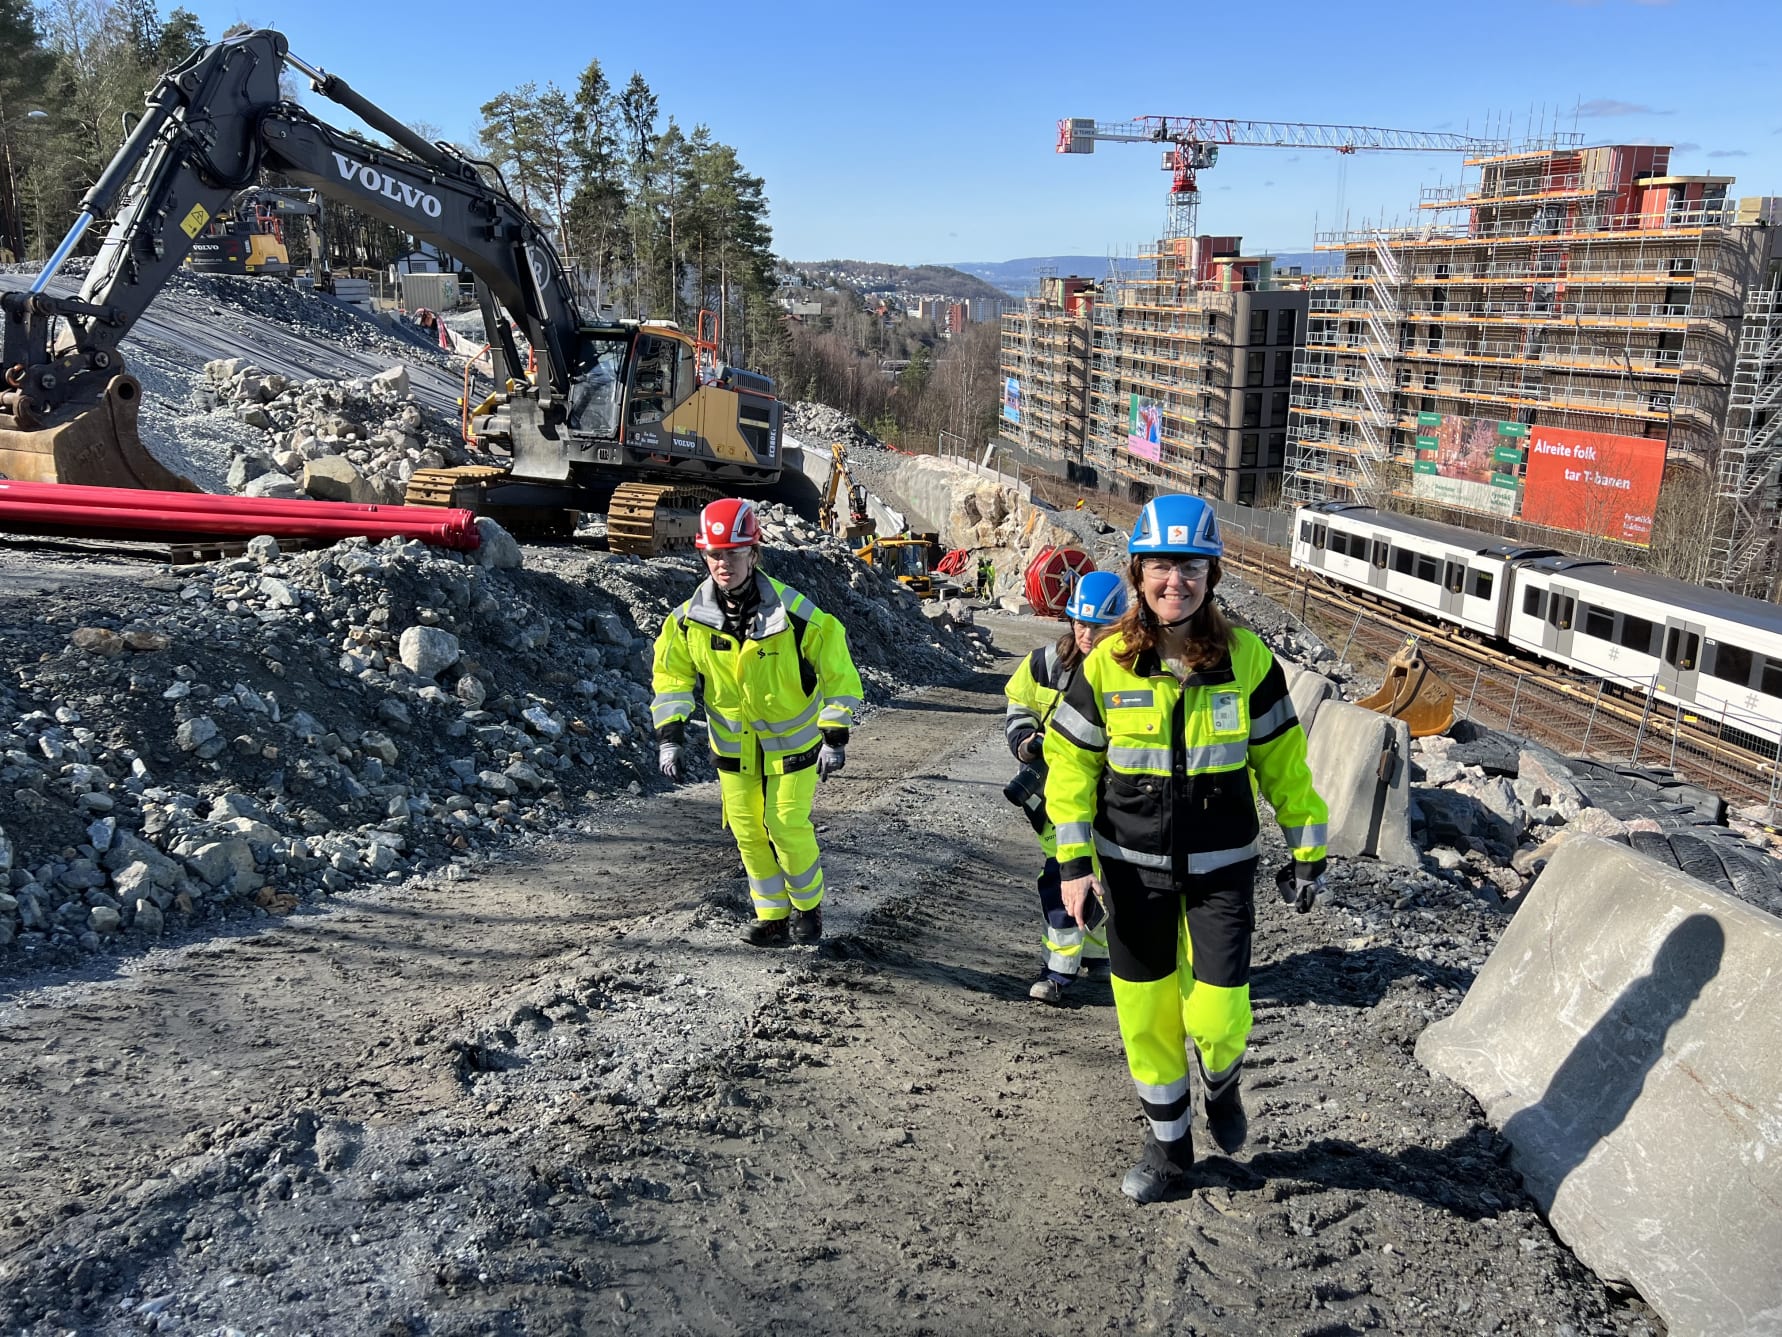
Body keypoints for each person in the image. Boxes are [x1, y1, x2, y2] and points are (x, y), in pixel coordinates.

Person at [1044, 494, 1329, 1204]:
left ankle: (1222, 1079)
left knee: (1216, 1015)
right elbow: (1071, 766)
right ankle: (1170, 1150)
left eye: (1192, 566)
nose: (1178, 580)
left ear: (1213, 574)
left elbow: (1284, 762)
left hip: (1221, 872)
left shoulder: (1246, 659)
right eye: (1163, 565)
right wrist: (1075, 865)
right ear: (1139, 573)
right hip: (1130, 875)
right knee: (1145, 1021)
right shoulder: (1107, 662)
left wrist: (1307, 845)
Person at [652, 498, 864, 947]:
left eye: (732, 552)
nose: (723, 563)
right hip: (734, 750)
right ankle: (771, 917)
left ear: (754, 552)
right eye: (714, 554)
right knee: (748, 830)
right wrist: (669, 736)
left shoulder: (797, 616)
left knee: (785, 825)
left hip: (795, 746)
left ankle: (808, 909)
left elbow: (839, 672)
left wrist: (836, 734)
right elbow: (672, 676)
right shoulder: (689, 621)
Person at [1004, 569, 1129, 1004]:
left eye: (1099, 626)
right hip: (1060, 802)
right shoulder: (1044, 665)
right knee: (1062, 877)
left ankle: (1085, 961)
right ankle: (1062, 970)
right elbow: (1019, 703)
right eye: (1081, 623)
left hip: (1117, 803)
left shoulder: (1131, 672)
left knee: (1104, 881)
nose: (1088, 634)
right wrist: (1024, 742)